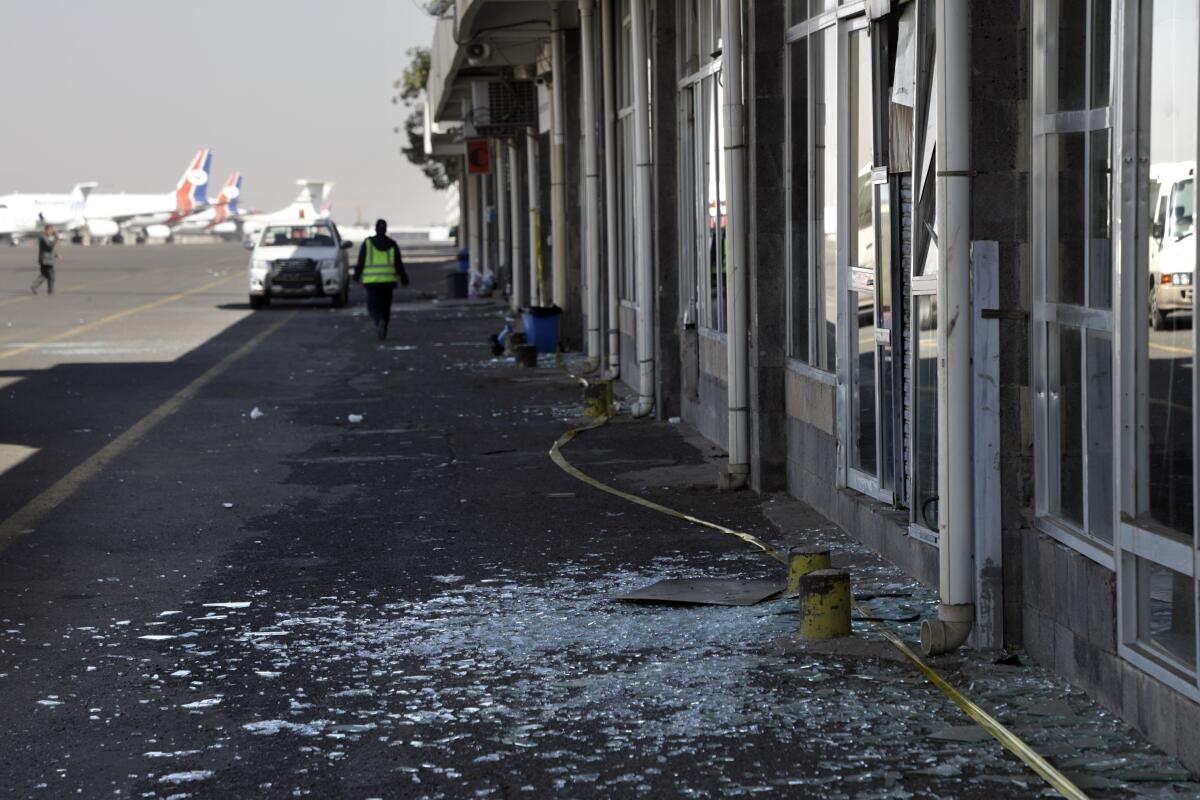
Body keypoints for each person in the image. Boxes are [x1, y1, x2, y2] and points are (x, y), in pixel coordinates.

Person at [354, 219, 409, 340]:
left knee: (373, 307)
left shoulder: (368, 243)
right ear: (386, 229)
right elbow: (398, 264)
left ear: (375, 228)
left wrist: (356, 276)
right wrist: (404, 278)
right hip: (388, 282)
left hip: (372, 282)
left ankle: (378, 321)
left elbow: (361, 262)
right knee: (385, 307)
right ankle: (384, 322)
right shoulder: (392, 244)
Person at [31, 224, 61, 295]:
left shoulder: (47, 237)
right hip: (46, 260)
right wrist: (56, 238)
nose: (51, 231)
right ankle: (50, 290)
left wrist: (56, 255)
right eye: (50, 230)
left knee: (44, 274)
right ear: (46, 230)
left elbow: (51, 249)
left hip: (47, 259)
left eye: (52, 230)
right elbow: (49, 246)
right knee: (51, 275)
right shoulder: (43, 237)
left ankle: (34, 286)